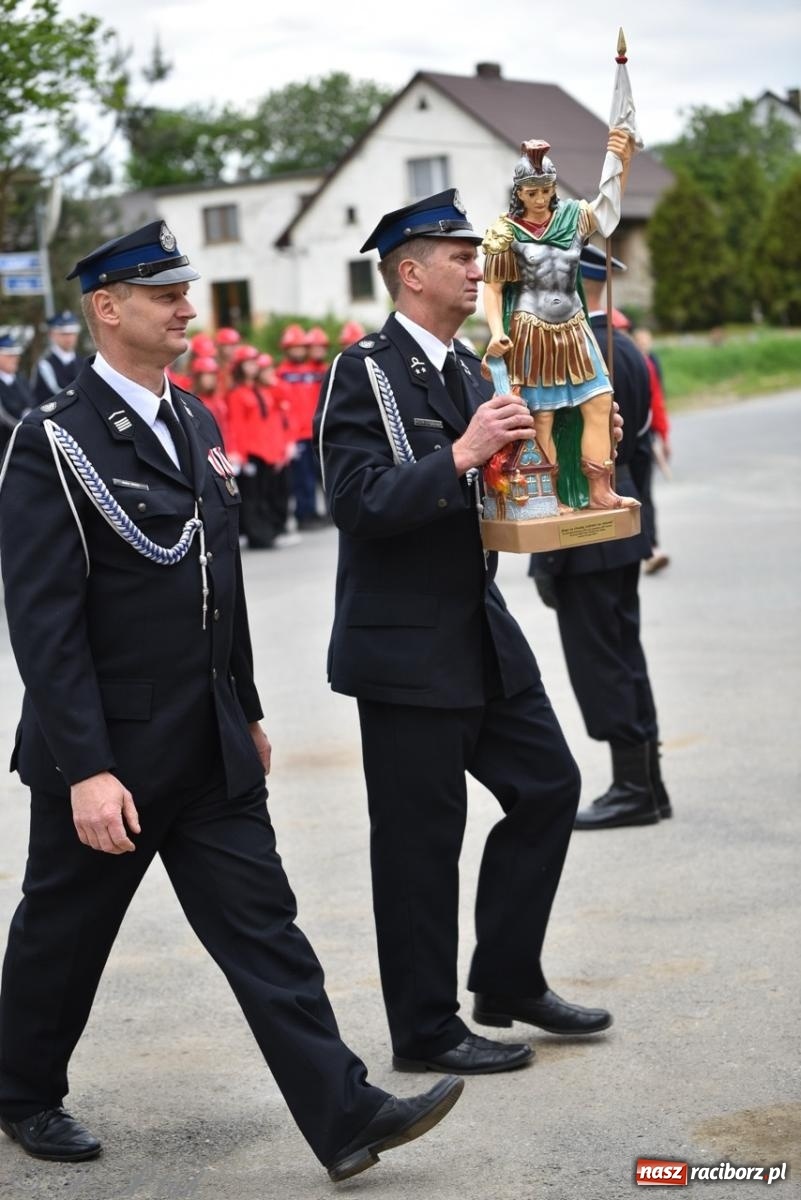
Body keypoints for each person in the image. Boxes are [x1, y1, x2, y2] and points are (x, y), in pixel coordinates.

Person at [0, 221, 462, 1181]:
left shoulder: (196, 420)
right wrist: (86, 768)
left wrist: (244, 707)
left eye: (185, 290)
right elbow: (44, 624)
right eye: (163, 294)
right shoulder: (52, 439)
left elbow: (221, 587)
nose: (186, 308)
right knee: (64, 935)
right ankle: (19, 1090)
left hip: (207, 739)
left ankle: (345, 1114)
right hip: (111, 750)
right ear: (106, 309)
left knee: (266, 931)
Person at [314, 190, 612, 1077]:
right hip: (404, 646)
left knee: (548, 785)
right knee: (419, 844)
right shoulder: (364, 371)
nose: (476, 264)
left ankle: (507, 978)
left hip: (478, 627)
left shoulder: (474, 367)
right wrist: (459, 454)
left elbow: (497, 483)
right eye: (456, 254)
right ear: (410, 273)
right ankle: (425, 1030)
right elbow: (356, 502)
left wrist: (566, 461)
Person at [529, 244, 672, 829]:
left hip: (583, 525)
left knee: (600, 663)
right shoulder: (629, 349)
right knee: (625, 653)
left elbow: (555, 455)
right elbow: (638, 444)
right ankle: (649, 783)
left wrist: (544, 558)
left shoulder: (568, 349)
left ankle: (633, 788)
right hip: (624, 519)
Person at [482, 131, 637, 512]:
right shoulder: (506, 232)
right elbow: (494, 288)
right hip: (531, 328)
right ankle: (549, 497)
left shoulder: (573, 217)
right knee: (542, 417)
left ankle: (599, 487)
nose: (540, 199)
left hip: (574, 324)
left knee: (600, 401)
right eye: (531, 192)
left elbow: (608, 209)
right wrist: (497, 332)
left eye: (546, 190)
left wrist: (622, 160)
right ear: (519, 193)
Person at [276, 324, 324, 530]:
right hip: (296, 435)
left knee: (313, 475)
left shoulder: (311, 372)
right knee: (301, 478)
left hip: (312, 432)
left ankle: (312, 511)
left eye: (301, 347)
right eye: (294, 348)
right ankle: (303, 514)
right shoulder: (281, 374)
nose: (298, 351)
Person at [632, 326, 671, 575]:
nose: (644, 344)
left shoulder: (650, 362)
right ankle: (646, 549)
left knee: (644, 496)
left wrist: (663, 434)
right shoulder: (640, 361)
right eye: (640, 340)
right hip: (636, 437)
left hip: (643, 435)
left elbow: (657, 400)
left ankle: (650, 547)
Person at [31, 311, 85, 404]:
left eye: (72, 333)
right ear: (52, 335)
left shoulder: (83, 362)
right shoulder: (45, 365)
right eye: (63, 334)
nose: (69, 338)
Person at [0, 333, 33, 455]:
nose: (15, 359)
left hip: (24, 444)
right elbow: (4, 416)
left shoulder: (21, 379)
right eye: (9, 355)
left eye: (15, 355)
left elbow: (32, 401)